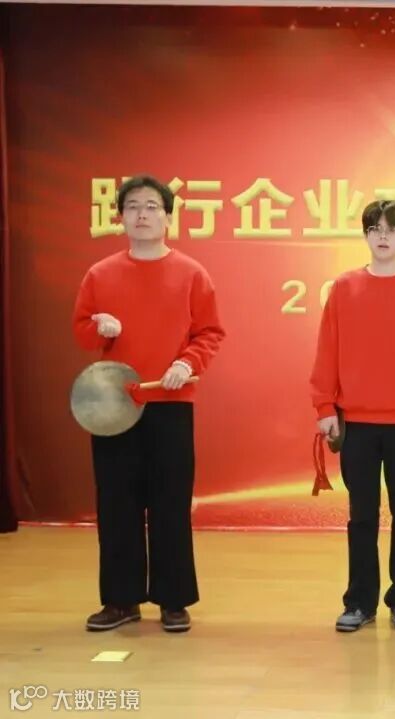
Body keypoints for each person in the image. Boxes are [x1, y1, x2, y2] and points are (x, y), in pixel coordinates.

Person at [73, 174, 225, 633]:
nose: (142, 214)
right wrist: (98, 328)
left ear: (168, 218)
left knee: (170, 502)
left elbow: (210, 333)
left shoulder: (191, 273)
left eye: (152, 206)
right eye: (134, 206)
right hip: (113, 405)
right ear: (120, 217)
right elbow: (81, 332)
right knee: (116, 503)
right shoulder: (100, 274)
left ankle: (173, 599)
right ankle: (121, 600)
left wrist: (187, 362)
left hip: (170, 400)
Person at [310, 200, 395, 633]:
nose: (382, 236)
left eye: (391, 229)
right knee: (361, 516)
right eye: (374, 229)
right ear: (365, 236)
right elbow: (327, 350)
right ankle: (359, 601)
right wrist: (324, 406)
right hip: (356, 423)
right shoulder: (344, 288)